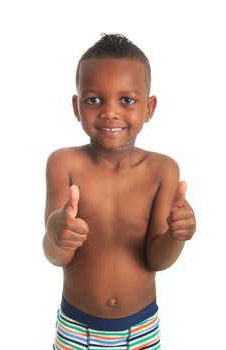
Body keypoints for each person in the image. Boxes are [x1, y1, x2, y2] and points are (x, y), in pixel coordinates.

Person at [43, 34, 196, 350]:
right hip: (75, 327)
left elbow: (157, 259)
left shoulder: (162, 170)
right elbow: (55, 255)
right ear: (76, 106)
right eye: (94, 100)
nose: (109, 112)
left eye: (127, 100)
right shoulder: (63, 163)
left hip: (140, 328)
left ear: (149, 107)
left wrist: (175, 236)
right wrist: (57, 232)